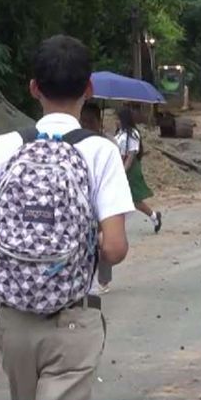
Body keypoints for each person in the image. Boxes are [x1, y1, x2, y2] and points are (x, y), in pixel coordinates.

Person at [0, 35, 135, 400]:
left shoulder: (4, 147)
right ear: (89, 88)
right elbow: (115, 248)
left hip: (15, 321)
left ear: (34, 88)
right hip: (73, 320)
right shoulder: (101, 151)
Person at [80, 103, 113, 295]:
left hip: (102, 199)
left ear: (98, 122)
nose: (87, 125)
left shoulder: (108, 145)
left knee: (104, 239)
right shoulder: (75, 142)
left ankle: (103, 279)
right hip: (83, 199)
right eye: (83, 121)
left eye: (91, 121)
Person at [116, 107, 163, 233]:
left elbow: (131, 155)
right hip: (120, 164)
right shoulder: (120, 133)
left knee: (134, 198)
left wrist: (123, 170)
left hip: (129, 168)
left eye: (118, 119)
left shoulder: (132, 134)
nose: (116, 121)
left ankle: (154, 217)